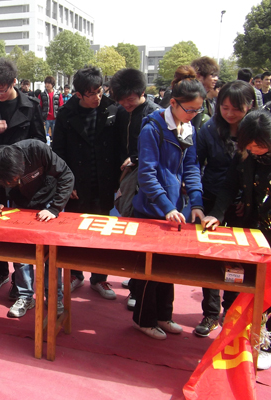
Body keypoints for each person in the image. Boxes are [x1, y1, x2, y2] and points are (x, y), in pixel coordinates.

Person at [131, 65, 206, 340]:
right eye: (190, 109)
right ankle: (144, 319)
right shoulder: (152, 128)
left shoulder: (188, 127)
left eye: (198, 110)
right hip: (151, 209)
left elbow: (192, 168)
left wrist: (196, 202)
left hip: (174, 210)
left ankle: (164, 315)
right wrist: (167, 207)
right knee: (149, 271)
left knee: (167, 269)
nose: (194, 114)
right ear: (173, 103)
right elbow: (147, 175)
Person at [0, 140, 74, 318]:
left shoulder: (37, 150)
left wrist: (55, 208)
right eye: (7, 182)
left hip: (48, 202)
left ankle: (54, 297)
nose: (11, 182)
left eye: (12, 180)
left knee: (51, 254)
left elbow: (66, 175)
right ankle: (25, 296)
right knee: (22, 255)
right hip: (20, 207)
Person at [202, 110, 271, 370]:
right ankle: (238, 332)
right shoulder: (244, 154)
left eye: (258, 145)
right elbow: (230, 185)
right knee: (244, 281)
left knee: (269, 288)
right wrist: (217, 214)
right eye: (249, 145)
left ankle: (266, 341)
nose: (253, 150)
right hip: (252, 228)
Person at [0, 57, 47, 289]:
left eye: (2, 89)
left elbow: (40, 140)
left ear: (14, 82)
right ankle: (0, 271)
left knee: (20, 228)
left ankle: (20, 282)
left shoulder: (31, 105)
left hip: (21, 174)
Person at [52, 66, 119, 301]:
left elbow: (118, 147)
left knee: (101, 233)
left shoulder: (112, 109)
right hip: (76, 184)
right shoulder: (66, 114)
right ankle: (75, 274)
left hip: (104, 180)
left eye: (100, 91)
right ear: (79, 94)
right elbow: (58, 152)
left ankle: (99, 278)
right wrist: (66, 183)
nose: (97, 97)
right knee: (75, 233)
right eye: (91, 94)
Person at [194, 80, 256, 337]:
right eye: (225, 107)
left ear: (250, 106)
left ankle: (231, 311)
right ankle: (210, 313)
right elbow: (195, 163)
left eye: (236, 108)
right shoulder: (209, 128)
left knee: (237, 261)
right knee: (209, 258)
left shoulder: (256, 131)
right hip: (212, 199)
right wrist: (197, 198)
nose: (230, 113)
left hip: (243, 203)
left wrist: (247, 200)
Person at [110, 68, 160, 309]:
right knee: (128, 224)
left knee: (142, 230)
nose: (126, 104)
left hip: (147, 178)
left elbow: (157, 151)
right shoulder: (121, 112)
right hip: (126, 174)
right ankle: (134, 279)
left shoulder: (155, 114)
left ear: (142, 93)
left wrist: (137, 159)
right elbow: (119, 143)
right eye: (121, 100)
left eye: (130, 99)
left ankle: (138, 287)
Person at [190, 57, 219, 132]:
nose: (216, 79)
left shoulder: (205, 98)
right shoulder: (191, 97)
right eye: (212, 75)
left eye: (216, 75)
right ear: (198, 76)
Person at [40, 76, 63, 143]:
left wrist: (60, 118)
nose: (47, 85)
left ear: (52, 84)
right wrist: (41, 119)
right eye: (46, 83)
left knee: (56, 137)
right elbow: (39, 107)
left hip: (55, 119)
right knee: (43, 138)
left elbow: (61, 106)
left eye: (49, 83)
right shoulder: (42, 94)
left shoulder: (58, 94)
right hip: (45, 119)